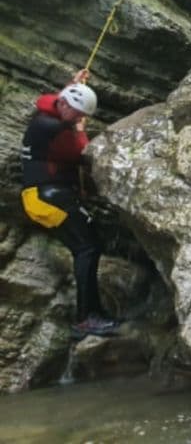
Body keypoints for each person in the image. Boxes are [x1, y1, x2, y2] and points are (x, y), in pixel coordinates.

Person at [20, 69, 120, 339]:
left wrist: (73, 86)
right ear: (64, 104)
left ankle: (92, 313)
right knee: (87, 248)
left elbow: (60, 102)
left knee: (88, 246)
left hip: (48, 195)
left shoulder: (51, 110)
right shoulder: (52, 127)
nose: (79, 119)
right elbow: (83, 152)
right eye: (77, 114)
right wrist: (79, 129)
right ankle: (86, 319)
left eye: (82, 116)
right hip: (44, 198)